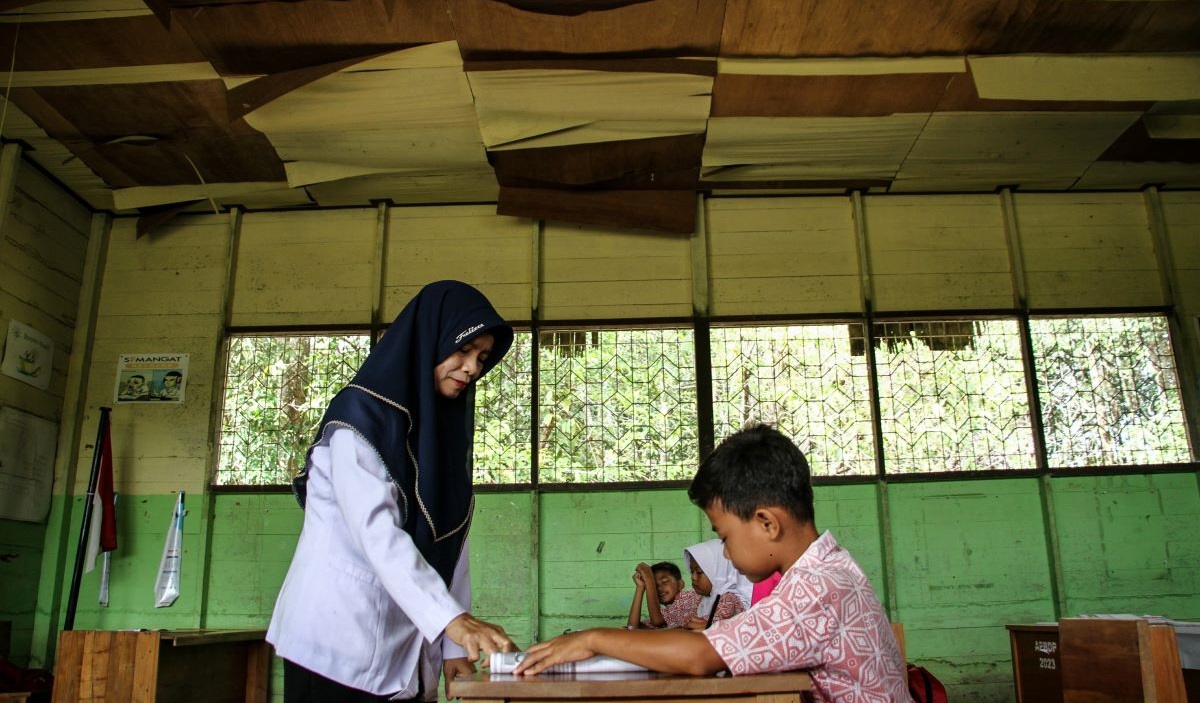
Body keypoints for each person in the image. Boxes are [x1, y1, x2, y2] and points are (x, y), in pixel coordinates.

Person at [515, 424, 911, 703]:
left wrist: (591, 639)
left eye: (724, 537)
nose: (725, 553)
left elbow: (700, 655)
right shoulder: (828, 569)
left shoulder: (818, 587)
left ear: (767, 523)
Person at [267, 280, 519, 703]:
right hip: (336, 642)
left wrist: (454, 645)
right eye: (463, 350)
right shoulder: (360, 419)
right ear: (430, 340)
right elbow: (375, 533)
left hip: (404, 645)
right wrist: (452, 621)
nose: (472, 368)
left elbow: (451, 542)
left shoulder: (441, 438)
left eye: (482, 357)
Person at [681, 540, 747, 630]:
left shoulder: (728, 600)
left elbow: (715, 627)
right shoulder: (703, 598)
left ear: (719, 572)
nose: (693, 577)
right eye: (692, 572)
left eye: (699, 572)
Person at [625, 561, 701, 629]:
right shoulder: (665, 613)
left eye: (664, 582)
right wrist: (640, 587)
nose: (659, 588)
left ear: (680, 584)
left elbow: (657, 622)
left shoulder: (690, 595)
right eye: (655, 586)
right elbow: (632, 627)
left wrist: (649, 580)